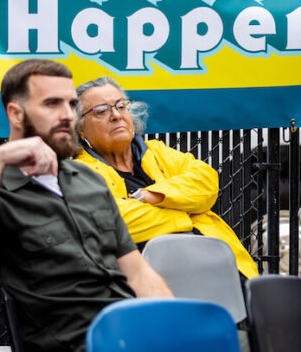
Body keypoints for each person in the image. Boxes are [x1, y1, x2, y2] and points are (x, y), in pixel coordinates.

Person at [0, 60, 172, 352]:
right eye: (51, 104)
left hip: (135, 336)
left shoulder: (89, 181)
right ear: (16, 114)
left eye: (71, 104)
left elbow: (137, 272)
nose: (66, 115)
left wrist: (172, 326)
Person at [73, 77, 259, 280]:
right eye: (101, 111)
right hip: (148, 279)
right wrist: (185, 214)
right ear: (80, 129)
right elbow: (109, 220)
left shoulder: (157, 151)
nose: (116, 116)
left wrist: (150, 195)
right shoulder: (80, 170)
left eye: (120, 106)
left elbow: (206, 182)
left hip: (219, 264)